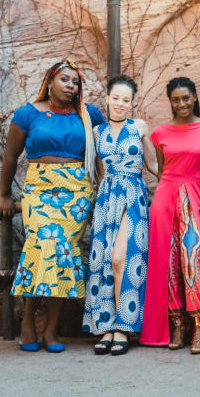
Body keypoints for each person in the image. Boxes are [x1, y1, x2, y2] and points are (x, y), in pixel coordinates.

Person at [0, 59, 104, 352]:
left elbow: (103, 153)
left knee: (62, 252)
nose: (70, 86)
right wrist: (4, 195)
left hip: (76, 191)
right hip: (39, 188)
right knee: (41, 246)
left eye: (75, 82)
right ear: (50, 81)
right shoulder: (27, 114)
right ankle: (29, 322)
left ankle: (51, 331)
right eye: (65, 80)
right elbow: (10, 158)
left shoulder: (88, 115)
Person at [141, 77, 200, 354]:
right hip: (166, 199)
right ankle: (177, 325)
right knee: (170, 261)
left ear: (195, 96)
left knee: (193, 256)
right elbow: (163, 172)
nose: (182, 103)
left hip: (195, 196)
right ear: (171, 102)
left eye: (186, 98)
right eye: (176, 99)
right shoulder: (161, 132)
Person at [83, 74, 156, 356]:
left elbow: (151, 164)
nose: (120, 104)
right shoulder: (97, 132)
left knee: (120, 257)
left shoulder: (138, 127)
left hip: (133, 195)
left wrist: (175, 184)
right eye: (116, 98)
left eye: (126, 100)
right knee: (104, 261)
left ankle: (123, 327)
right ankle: (107, 327)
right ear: (107, 98)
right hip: (107, 197)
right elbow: (98, 172)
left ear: (132, 102)